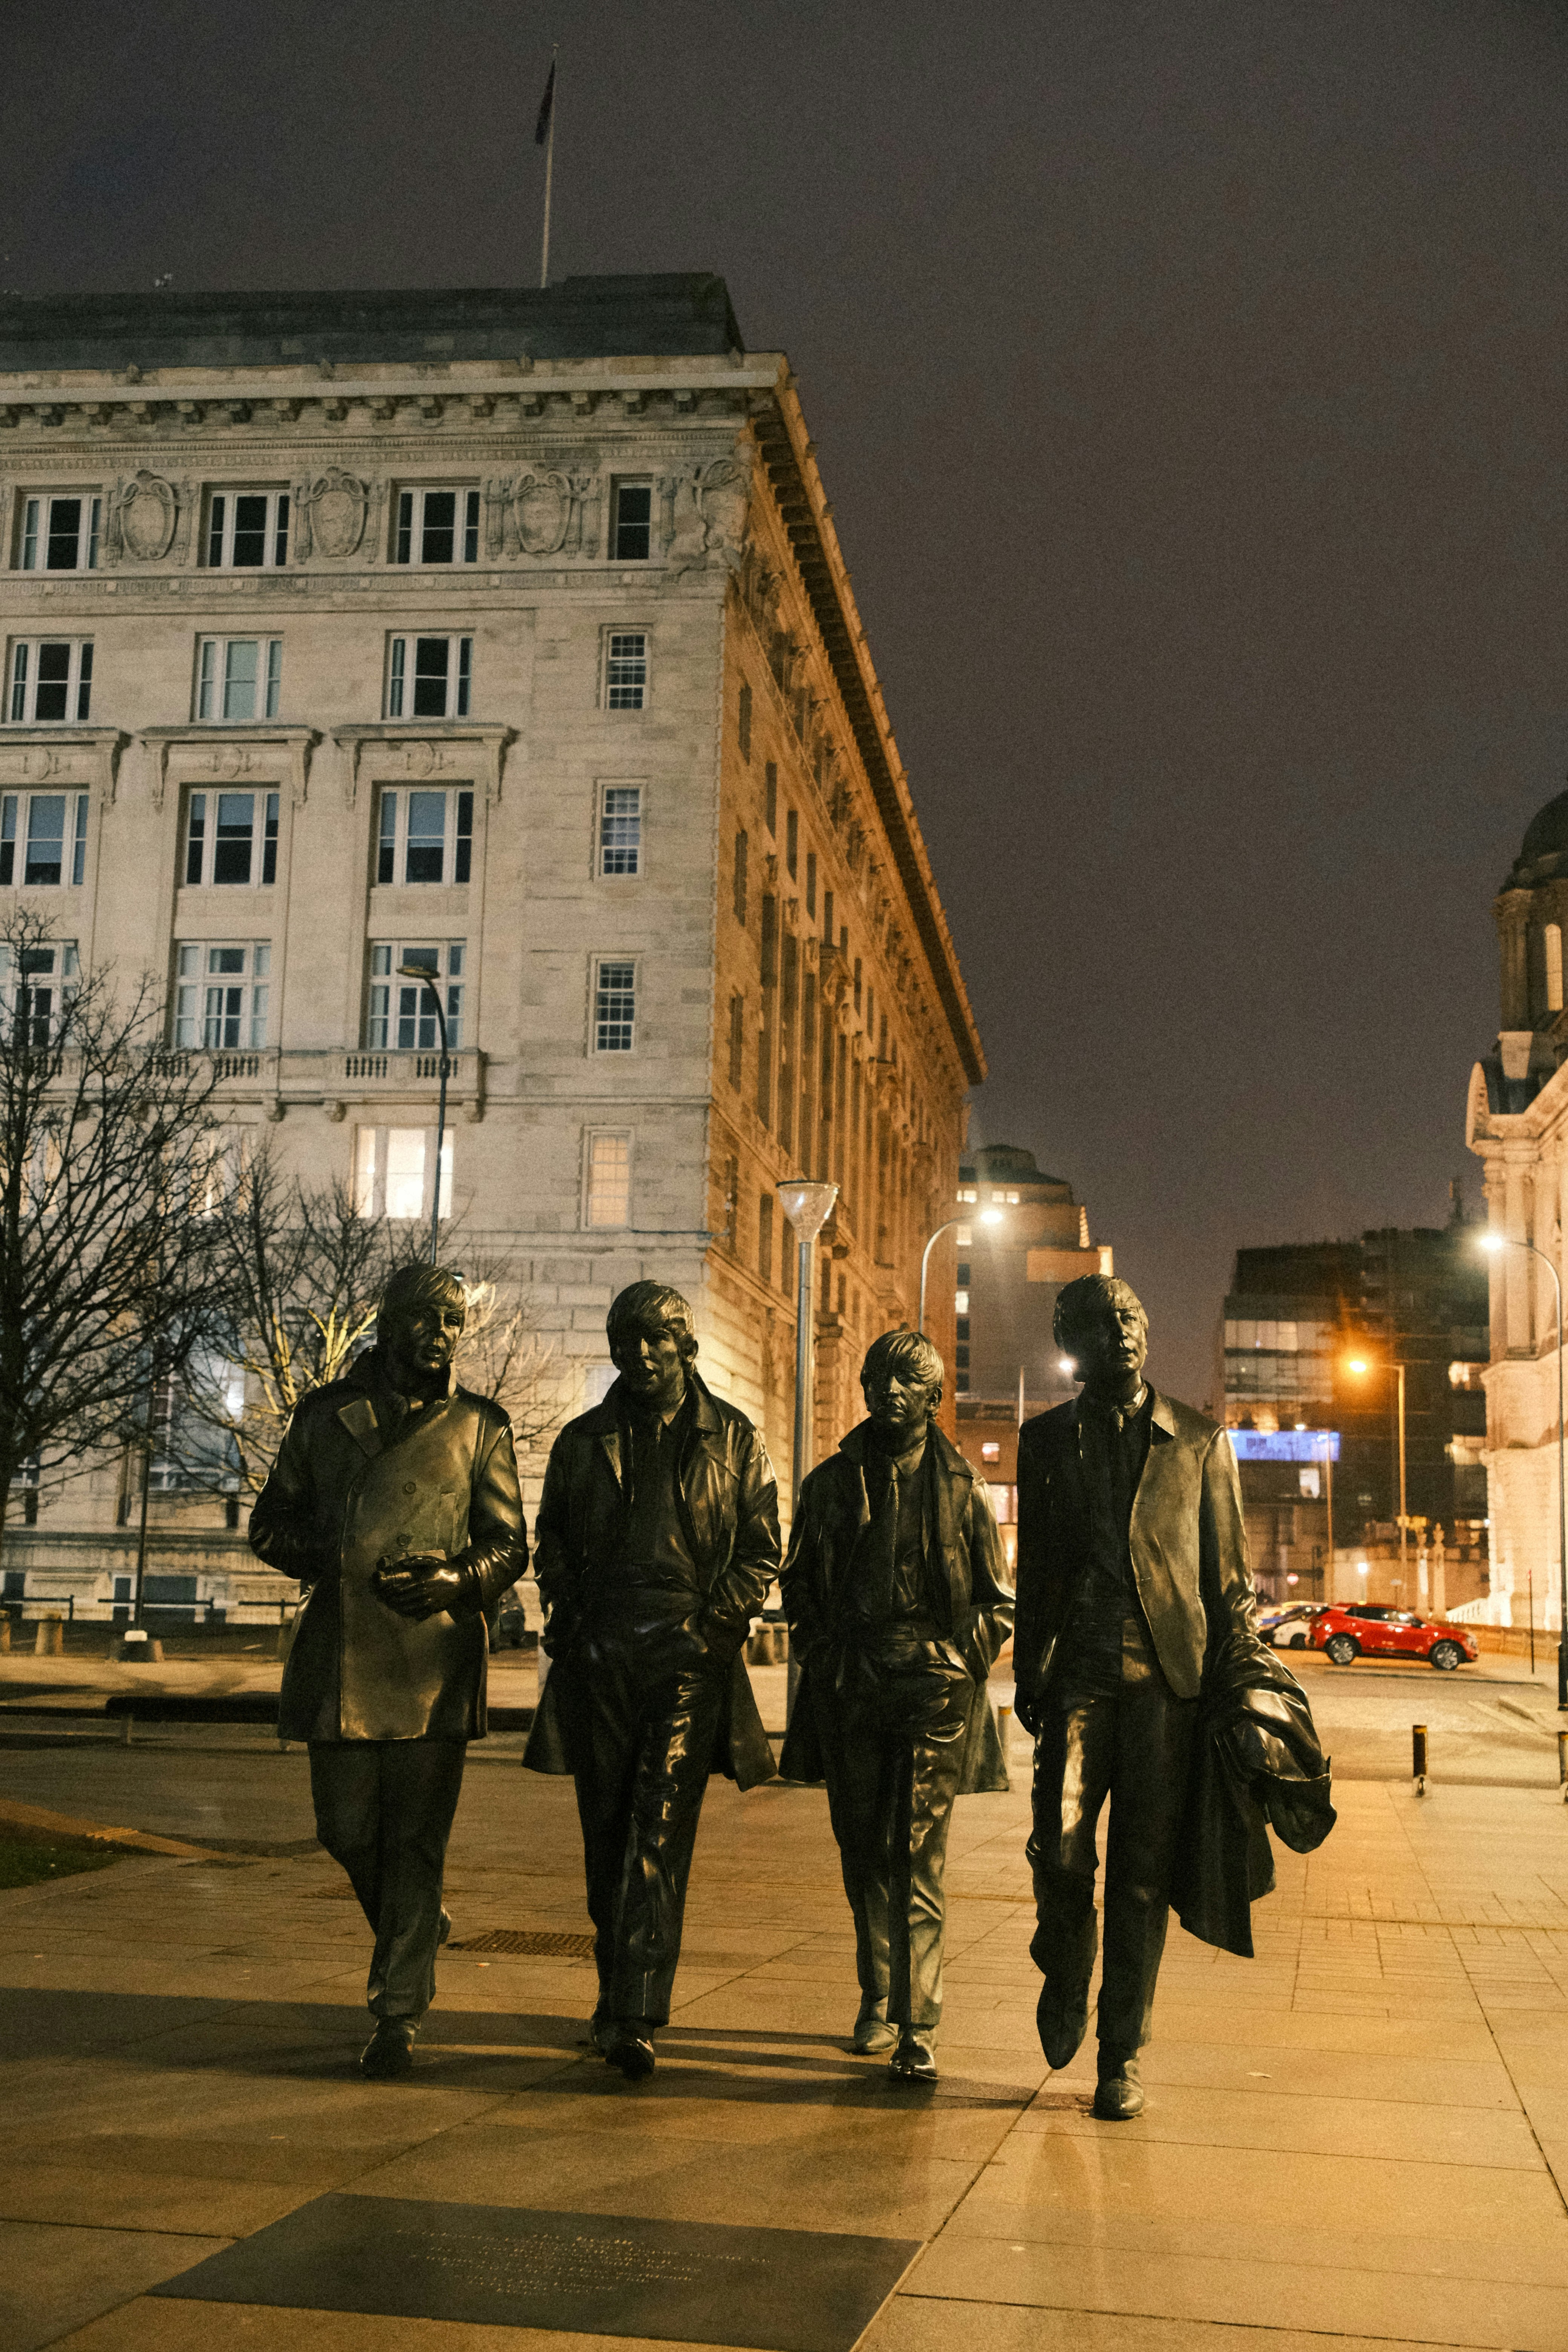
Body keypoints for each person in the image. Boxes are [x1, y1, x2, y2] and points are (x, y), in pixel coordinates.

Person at [249, 1262, 525, 2079]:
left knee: (414, 1841)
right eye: (426, 1319)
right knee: (344, 1828)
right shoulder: (326, 1414)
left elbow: (509, 1545)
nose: (441, 1336)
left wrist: (455, 1580)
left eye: (452, 1322)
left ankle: (397, 2010)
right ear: (388, 1322)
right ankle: (417, 1925)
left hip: (431, 1656)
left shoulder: (480, 1425)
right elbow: (270, 1524)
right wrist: (335, 1557)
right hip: (342, 1651)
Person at [1014, 1271, 1265, 2119]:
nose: (1121, 1329)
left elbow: (1227, 1580)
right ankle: (1064, 1967)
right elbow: (1037, 1568)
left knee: (1139, 1881)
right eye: (1101, 1320)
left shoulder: (1198, 1440)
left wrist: (1242, 1686)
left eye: (1131, 1316)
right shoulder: (1044, 1441)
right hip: (1076, 1675)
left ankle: (1120, 2054)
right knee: (1060, 1852)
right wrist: (1027, 1674)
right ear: (1073, 1342)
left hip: (1167, 1687)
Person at [524, 1281, 779, 2080]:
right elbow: (553, 1538)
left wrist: (713, 1627)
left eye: (654, 1343)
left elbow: (761, 1551)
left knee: (656, 1829)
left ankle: (637, 2012)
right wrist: (570, 1609)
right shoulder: (582, 1440)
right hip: (602, 1656)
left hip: (686, 1661)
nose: (638, 1356)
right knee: (607, 1835)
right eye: (626, 1342)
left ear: (683, 1349)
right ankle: (614, 1993)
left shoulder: (732, 1439)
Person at [779, 1330, 1014, 2084]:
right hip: (853, 1684)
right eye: (879, 1378)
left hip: (932, 1689)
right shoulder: (830, 1483)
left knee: (916, 1855)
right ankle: (877, 1996)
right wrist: (824, 1656)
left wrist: (957, 1661)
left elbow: (996, 1601)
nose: (890, 1391)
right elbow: (800, 1589)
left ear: (933, 1398)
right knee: (862, 1853)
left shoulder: (962, 1489)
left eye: (908, 1381)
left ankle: (919, 2023)